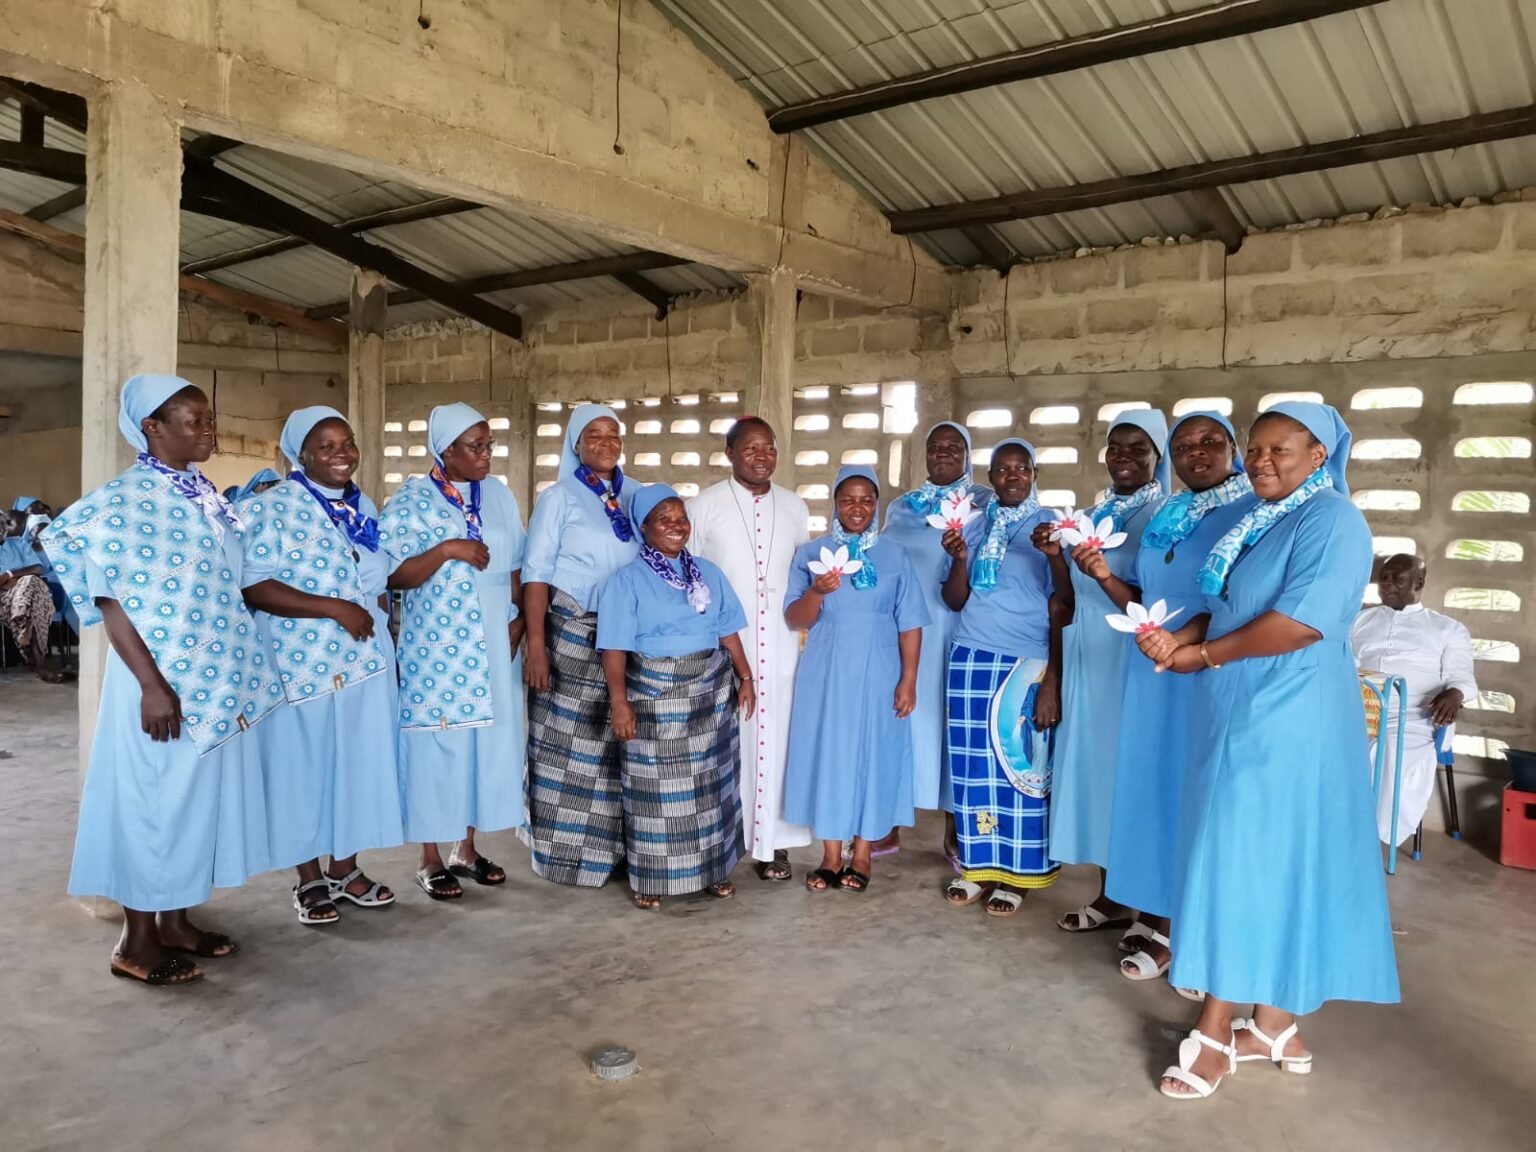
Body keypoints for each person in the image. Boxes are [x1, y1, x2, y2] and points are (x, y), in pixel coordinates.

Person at [1136, 401, 1398, 1100]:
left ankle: (1217, 1033)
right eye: (1255, 449)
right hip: (1241, 705)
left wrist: (1203, 656)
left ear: (1319, 455)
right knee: (1273, 858)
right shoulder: (1260, 519)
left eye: (1280, 449)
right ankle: (1276, 1025)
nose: (1262, 461)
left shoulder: (1333, 520)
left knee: (1241, 859)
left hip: (1290, 714)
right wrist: (1181, 638)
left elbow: (1302, 623)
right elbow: (1228, 604)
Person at [45, 373, 278, 986]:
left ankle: (174, 922)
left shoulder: (199, 493)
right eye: (194, 420)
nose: (209, 430)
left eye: (209, 419)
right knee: (152, 803)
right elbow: (112, 604)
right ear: (152, 427)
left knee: (189, 804)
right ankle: (136, 941)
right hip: (156, 682)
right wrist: (152, 686)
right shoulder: (123, 504)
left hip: (209, 679)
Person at [1095, 413, 1257, 981]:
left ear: (1234, 448)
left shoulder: (1251, 510)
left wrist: (1184, 643)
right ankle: (1159, 911)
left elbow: (1241, 601)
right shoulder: (1171, 511)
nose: (1196, 452)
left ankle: (1185, 932)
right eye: (1184, 444)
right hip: (1154, 668)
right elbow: (1145, 594)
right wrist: (1102, 575)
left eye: (1210, 441)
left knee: (1200, 796)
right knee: (1156, 790)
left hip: (1206, 667)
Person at [241, 407, 404, 924]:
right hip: (303, 663)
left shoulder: (361, 505)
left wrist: (377, 619)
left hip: (365, 660)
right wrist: (334, 607)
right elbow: (255, 585)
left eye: (347, 443)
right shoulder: (272, 506)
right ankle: (309, 878)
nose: (342, 455)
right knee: (304, 767)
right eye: (326, 447)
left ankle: (346, 870)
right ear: (301, 454)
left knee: (356, 764)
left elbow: (375, 578)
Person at [381, 403, 527, 900]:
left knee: (482, 744)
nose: (486, 455)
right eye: (475, 446)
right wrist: (446, 549)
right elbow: (393, 574)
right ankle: (429, 858)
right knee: (437, 746)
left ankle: (466, 849)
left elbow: (516, 563)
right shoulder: (412, 500)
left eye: (489, 445)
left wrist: (520, 619)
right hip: (438, 647)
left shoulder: (498, 494)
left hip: (495, 639)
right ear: (445, 450)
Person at [598, 484, 754, 909]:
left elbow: (727, 630)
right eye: (663, 519)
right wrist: (619, 702)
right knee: (654, 792)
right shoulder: (626, 581)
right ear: (643, 527)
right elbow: (614, 648)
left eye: (680, 518)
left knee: (710, 788)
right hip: (654, 697)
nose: (675, 526)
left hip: (710, 695)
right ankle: (651, 877)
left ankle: (713, 869)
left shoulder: (707, 572)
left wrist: (745, 677)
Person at [1047, 408, 1169, 935]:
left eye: (1138, 448)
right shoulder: (1093, 514)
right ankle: (1113, 895)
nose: (1124, 457)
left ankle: (1155, 911)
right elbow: (1069, 594)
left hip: (1135, 660)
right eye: (1115, 447)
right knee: (1098, 777)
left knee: (1137, 778)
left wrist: (1102, 574)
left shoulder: (1165, 515)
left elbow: (1162, 600)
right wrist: (1057, 555)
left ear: (1158, 456)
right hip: (1089, 656)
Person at [783, 465, 929, 894]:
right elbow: (795, 619)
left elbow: (910, 622)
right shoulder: (812, 554)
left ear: (877, 504)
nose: (857, 508)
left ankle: (862, 853)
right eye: (848, 499)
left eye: (866, 499)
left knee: (873, 753)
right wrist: (817, 592)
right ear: (835, 503)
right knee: (830, 753)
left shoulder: (895, 555)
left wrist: (909, 680)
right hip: (826, 671)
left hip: (880, 669)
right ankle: (831, 854)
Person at [940, 438, 1065, 917]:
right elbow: (955, 600)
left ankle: (1019, 874)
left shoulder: (1050, 525)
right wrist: (958, 559)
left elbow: (1065, 603)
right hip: (970, 657)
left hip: (1026, 660)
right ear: (989, 477)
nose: (1012, 476)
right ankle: (977, 866)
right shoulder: (974, 524)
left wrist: (1052, 680)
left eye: (1022, 468)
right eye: (1002, 469)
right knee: (973, 771)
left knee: (1022, 770)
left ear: (1034, 475)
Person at [686, 417, 812, 882]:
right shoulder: (703, 506)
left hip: (780, 645)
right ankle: (720, 845)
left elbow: (803, 575)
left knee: (777, 742)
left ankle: (774, 844)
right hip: (724, 648)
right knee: (721, 747)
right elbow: (688, 576)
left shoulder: (795, 506)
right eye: (751, 448)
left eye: (769, 448)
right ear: (730, 453)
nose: (762, 457)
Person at [522, 404, 640, 887]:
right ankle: (567, 857)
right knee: (569, 748)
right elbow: (535, 574)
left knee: (618, 747)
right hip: (572, 636)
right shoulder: (559, 499)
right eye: (594, 434)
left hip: (627, 637)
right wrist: (536, 644)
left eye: (614, 434)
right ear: (575, 444)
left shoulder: (636, 495)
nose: (606, 443)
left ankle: (615, 853)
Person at [883, 420, 992, 865]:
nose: (943, 453)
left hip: (953, 627)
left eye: (954, 446)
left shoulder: (983, 504)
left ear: (968, 455)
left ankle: (954, 826)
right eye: (935, 447)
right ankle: (888, 821)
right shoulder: (902, 507)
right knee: (900, 720)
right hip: (902, 630)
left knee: (951, 725)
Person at [1352, 553, 1477, 845]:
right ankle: (1338, 829)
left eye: (1397, 578)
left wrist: (1455, 694)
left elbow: (1462, 678)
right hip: (1357, 709)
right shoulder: (1359, 620)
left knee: (1391, 750)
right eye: (1383, 578)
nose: (1387, 583)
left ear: (1418, 583)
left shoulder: (1448, 629)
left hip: (1414, 717)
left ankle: (1373, 836)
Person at [0, 509, 67, 681]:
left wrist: (9, 574)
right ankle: (39, 663)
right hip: (3, 599)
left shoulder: (19, 543)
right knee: (35, 596)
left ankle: (27, 631)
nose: (1, 529)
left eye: (2, 524)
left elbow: (38, 568)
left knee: (31, 584)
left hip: (24, 594)